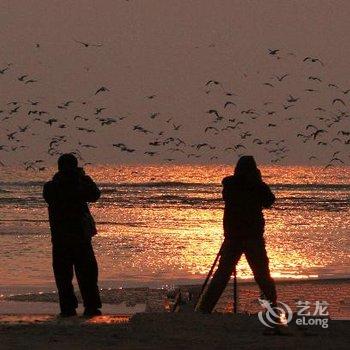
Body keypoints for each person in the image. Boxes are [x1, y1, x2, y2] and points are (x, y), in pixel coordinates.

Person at [196, 156, 277, 313]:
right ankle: (272, 306)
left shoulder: (230, 185)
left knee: (222, 275)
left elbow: (229, 198)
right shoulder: (256, 185)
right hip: (252, 236)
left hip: (233, 237)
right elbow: (269, 200)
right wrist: (258, 180)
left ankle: (205, 308)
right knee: (262, 274)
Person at [43, 153, 102, 317]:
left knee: (64, 277)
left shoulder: (51, 186)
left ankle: (68, 308)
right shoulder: (75, 185)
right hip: (79, 237)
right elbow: (95, 194)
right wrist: (82, 178)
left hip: (61, 237)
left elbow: (94, 195)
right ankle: (90, 306)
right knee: (87, 274)